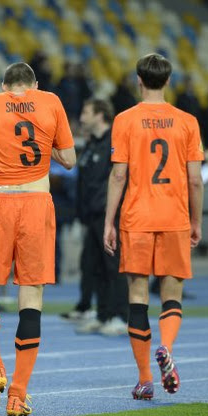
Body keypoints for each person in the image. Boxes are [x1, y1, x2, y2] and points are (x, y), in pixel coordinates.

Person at [0, 62, 75, 416]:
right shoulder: (51, 103)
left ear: (3, 85)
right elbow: (68, 158)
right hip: (37, 203)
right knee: (31, 292)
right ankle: (18, 395)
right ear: (33, 84)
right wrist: (47, 142)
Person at [104, 53, 204, 401]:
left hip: (137, 218)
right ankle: (167, 347)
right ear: (169, 81)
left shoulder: (125, 120)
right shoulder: (187, 121)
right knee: (171, 295)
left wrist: (109, 221)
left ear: (139, 80)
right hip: (174, 216)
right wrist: (196, 220)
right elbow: (195, 180)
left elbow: (119, 174)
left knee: (137, 298)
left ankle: (146, 378)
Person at [62, 98, 128, 336]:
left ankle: (121, 316)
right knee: (93, 266)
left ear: (100, 115)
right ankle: (103, 315)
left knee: (114, 265)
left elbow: (119, 177)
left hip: (108, 213)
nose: (81, 118)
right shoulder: (92, 144)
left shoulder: (115, 139)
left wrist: (109, 210)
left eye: (86, 112)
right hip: (91, 215)